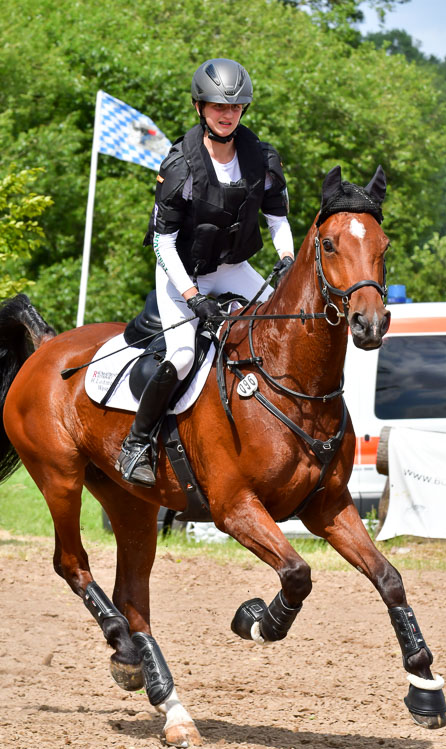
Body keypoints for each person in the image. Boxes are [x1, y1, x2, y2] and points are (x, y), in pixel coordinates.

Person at [116, 58, 295, 487]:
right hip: (182, 273)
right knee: (180, 356)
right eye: (218, 106)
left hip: (234, 268)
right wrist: (194, 297)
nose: (227, 114)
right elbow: (163, 243)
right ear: (200, 107)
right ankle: (137, 443)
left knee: (285, 329)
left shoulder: (262, 158)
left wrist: (286, 259)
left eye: (235, 107)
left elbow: (278, 220)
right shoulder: (181, 165)